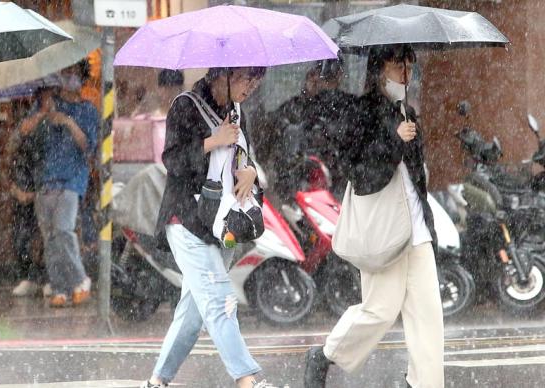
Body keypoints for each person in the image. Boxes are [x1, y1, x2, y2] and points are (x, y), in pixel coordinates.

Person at [303, 44, 443, 388]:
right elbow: (362, 176)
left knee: (428, 317)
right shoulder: (360, 112)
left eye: (409, 65)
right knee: (380, 309)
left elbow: (417, 181)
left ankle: (424, 383)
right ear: (380, 69)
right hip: (385, 228)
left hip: (416, 229)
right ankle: (324, 355)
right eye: (398, 65)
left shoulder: (407, 112)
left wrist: (428, 226)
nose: (405, 73)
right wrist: (394, 141)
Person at [142, 67, 278, 388]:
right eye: (246, 79)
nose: (251, 87)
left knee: (193, 314)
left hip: (223, 225)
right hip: (186, 220)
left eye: (256, 81)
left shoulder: (237, 110)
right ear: (223, 75)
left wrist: (250, 173)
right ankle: (248, 381)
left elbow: (244, 158)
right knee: (220, 301)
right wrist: (212, 141)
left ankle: (157, 381)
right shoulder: (185, 105)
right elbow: (173, 161)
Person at [33, 61, 98, 308]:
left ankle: (80, 279)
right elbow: (25, 132)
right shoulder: (49, 104)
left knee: (63, 230)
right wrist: (44, 112)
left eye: (73, 73)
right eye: (64, 71)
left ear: (81, 78)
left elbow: (89, 147)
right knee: (50, 238)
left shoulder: (88, 110)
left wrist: (68, 122)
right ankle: (59, 287)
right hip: (45, 179)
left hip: (72, 180)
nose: (68, 77)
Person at [267, 58, 356, 201]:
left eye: (326, 75)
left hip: (337, 188)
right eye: (314, 73)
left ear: (339, 76)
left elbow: (348, 144)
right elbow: (276, 142)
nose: (318, 80)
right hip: (298, 189)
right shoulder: (294, 108)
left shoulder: (347, 107)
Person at [8, 88, 52, 298]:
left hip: (45, 186)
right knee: (22, 235)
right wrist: (15, 188)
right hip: (23, 187)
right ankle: (26, 276)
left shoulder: (58, 117)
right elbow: (12, 147)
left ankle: (46, 278)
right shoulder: (30, 118)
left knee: (47, 236)